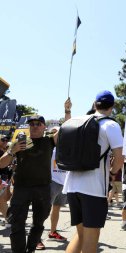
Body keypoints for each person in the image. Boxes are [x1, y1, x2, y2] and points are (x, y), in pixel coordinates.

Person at [0, 98, 71, 253]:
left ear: (44, 126)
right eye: (31, 124)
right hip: (21, 189)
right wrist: (13, 150)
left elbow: (65, 129)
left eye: (38, 123)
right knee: (17, 224)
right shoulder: (19, 142)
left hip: (43, 189)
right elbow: (1, 164)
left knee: (38, 224)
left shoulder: (49, 141)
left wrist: (67, 111)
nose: (34, 126)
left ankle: (30, 249)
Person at [63, 90, 124, 253]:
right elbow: (120, 158)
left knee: (80, 235)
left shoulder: (78, 120)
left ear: (95, 104)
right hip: (94, 188)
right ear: (112, 106)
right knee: (91, 237)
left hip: (71, 185)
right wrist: (112, 173)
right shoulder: (111, 125)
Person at [36, 126, 68, 250]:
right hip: (51, 182)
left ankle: (53, 232)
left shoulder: (66, 147)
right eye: (54, 133)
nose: (57, 135)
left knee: (56, 209)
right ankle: (36, 238)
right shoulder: (49, 147)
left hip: (63, 182)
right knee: (43, 211)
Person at [0, 134, 12, 228]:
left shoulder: (5, 151)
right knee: (2, 201)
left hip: (5, 179)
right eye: (2, 140)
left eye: (6, 140)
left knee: (4, 199)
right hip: (2, 180)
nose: (5, 141)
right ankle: (9, 220)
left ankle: (8, 220)